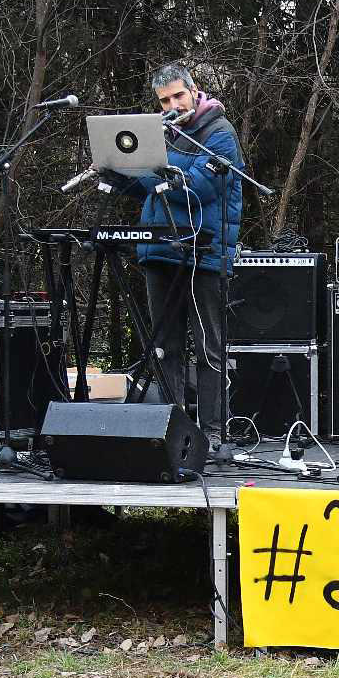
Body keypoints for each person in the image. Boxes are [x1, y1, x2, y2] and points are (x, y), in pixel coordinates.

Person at [104, 62, 243, 437]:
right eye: (164, 100)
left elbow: (198, 188)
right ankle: (173, 431)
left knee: (209, 348)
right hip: (159, 250)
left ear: (195, 90)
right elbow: (150, 190)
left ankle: (213, 434)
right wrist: (118, 175)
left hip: (204, 254)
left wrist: (146, 173)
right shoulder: (161, 134)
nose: (172, 104)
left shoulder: (218, 132)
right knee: (166, 347)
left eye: (178, 95)